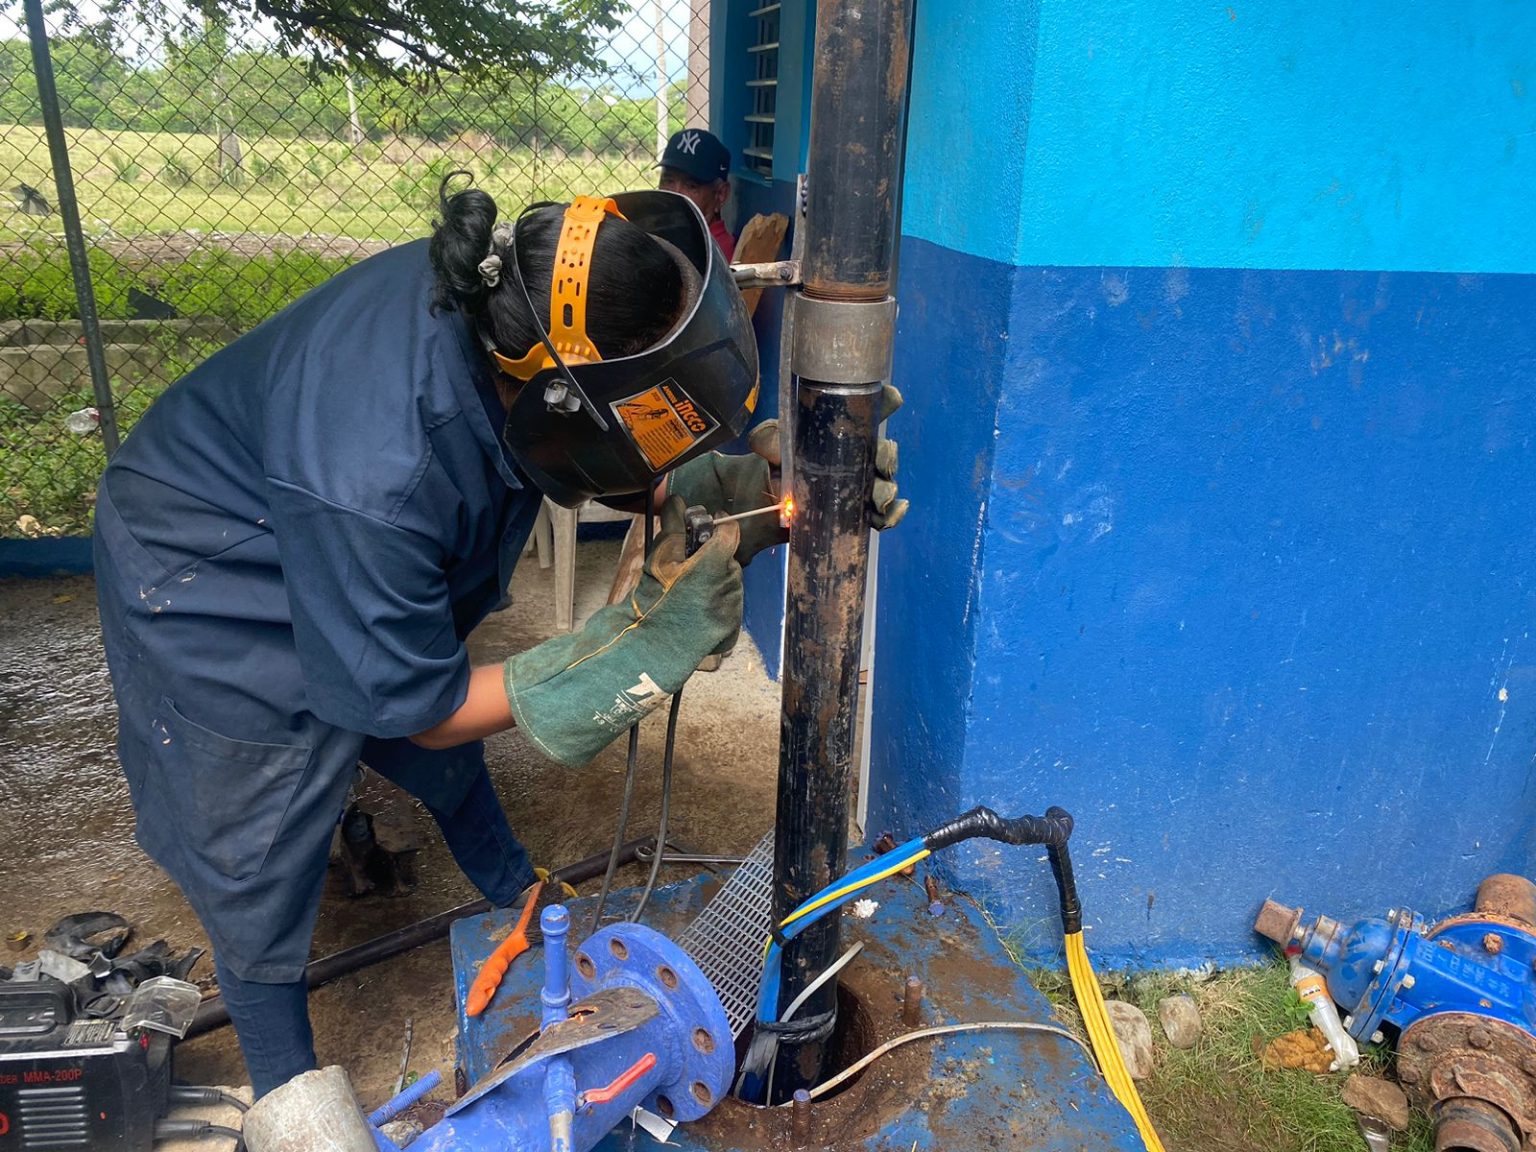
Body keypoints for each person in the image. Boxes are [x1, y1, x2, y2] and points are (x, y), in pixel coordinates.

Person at [91, 180, 827, 1098]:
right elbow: (425, 709)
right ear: (558, 399)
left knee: (420, 712)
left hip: (322, 502)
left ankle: (517, 894)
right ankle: (289, 1096)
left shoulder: (510, 322)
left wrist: (727, 485)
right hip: (209, 559)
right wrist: (624, 652)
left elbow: (602, 439)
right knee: (260, 833)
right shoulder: (380, 474)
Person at [659, 128, 735, 261]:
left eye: (691, 186)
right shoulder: (667, 236)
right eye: (668, 180)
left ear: (721, 194)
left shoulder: (716, 256)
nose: (676, 194)